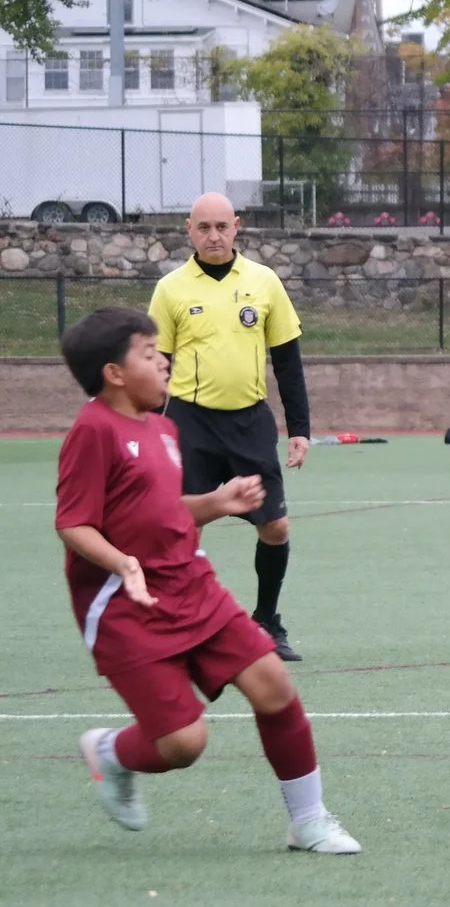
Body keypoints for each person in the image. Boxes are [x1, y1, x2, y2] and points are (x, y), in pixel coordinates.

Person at [57, 307, 360, 853]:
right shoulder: (93, 429)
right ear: (114, 373)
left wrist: (217, 503)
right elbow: (74, 523)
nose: (164, 361)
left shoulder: (165, 428)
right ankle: (110, 753)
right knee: (183, 744)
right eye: (150, 355)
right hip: (126, 606)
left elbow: (162, 511)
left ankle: (308, 820)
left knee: (273, 684)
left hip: (191, 584)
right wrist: (124, 563)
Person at [147, 193, 310, 661]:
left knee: (275, 526)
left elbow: (287, 360)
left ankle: (266, 622)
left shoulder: (264, 282)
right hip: (189, 424)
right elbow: (155, 365)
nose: (214, 236)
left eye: (222, 226)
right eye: (204, 228)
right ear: (188, 230)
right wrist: (148, 428)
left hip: (250, 422)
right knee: (180, 527)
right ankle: (177, 621)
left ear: (237, 227)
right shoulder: (171, 289)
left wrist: (299, 427)